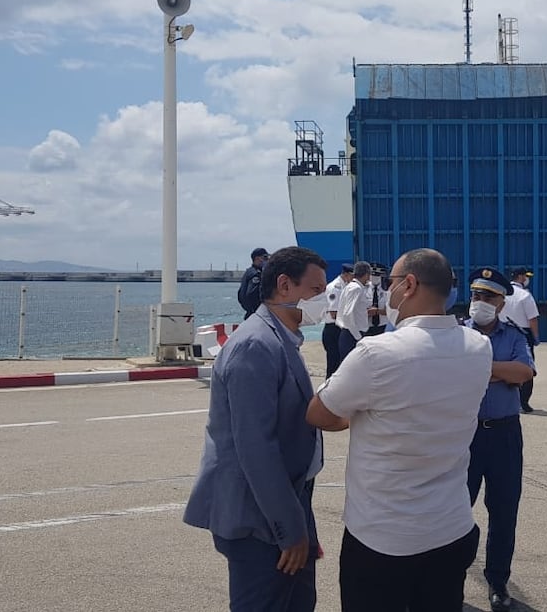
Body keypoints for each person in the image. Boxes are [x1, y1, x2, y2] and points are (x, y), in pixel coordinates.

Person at [307, 249, 490, 612]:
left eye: (389, 282)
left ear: (409, 284)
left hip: (383, 538)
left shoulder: (376, 353)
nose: (384, 290)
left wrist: (357, 417)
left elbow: (318, 414)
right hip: (451, 528)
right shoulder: (478, 347)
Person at [184, 246, 329, 612]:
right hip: (260, 520)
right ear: (284, 285)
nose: (323, 301)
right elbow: (256, 449)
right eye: (315, 291)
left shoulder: (281, 338)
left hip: (286, 506)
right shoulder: (256, 345)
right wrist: (290, 529)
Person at [464, 267, 535, 612]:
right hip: (464, 434)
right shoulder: (457, 334)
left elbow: (523, 372)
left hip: (505, 433)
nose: (479, 302)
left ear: (502, 302)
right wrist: (499, 371)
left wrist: (480, 368)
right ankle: (450, 575)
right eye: (476, 295)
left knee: (504, 510)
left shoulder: (514, 336)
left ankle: (497, 581)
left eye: (488, 297)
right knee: (456, 509)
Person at [503, 267, 540, 412]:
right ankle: (524, 402)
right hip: (523, 334)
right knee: (526, 368)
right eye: (526, 276)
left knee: (505, 366)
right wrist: (535, 336)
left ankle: (507, 400)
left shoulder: (503, 294)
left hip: (503, 332)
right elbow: (533, 319)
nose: (527, 279)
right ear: (520, 277)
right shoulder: (525, 295)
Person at [335, 261, 376, 361]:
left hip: (350, 333)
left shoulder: (351, 286)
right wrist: (358, 337)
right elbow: (348, 314)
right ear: (366, 275)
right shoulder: (356, 288)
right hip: (352, 334)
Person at [321, 262, 355, 378]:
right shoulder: (335, 288)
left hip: (340, 327)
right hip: (333, 329)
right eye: (352, 276)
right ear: (346, 274)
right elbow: (333, 313)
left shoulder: (345, 285)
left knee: (341, 363)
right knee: (333, 364)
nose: (353, 279)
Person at [237, 247, 269, 319]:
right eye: (265, 258)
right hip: (256, 315)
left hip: (252, 314)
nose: (267, 260)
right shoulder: (255, 274)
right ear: (257, 259)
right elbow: (251, 294)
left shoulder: (249, 272)